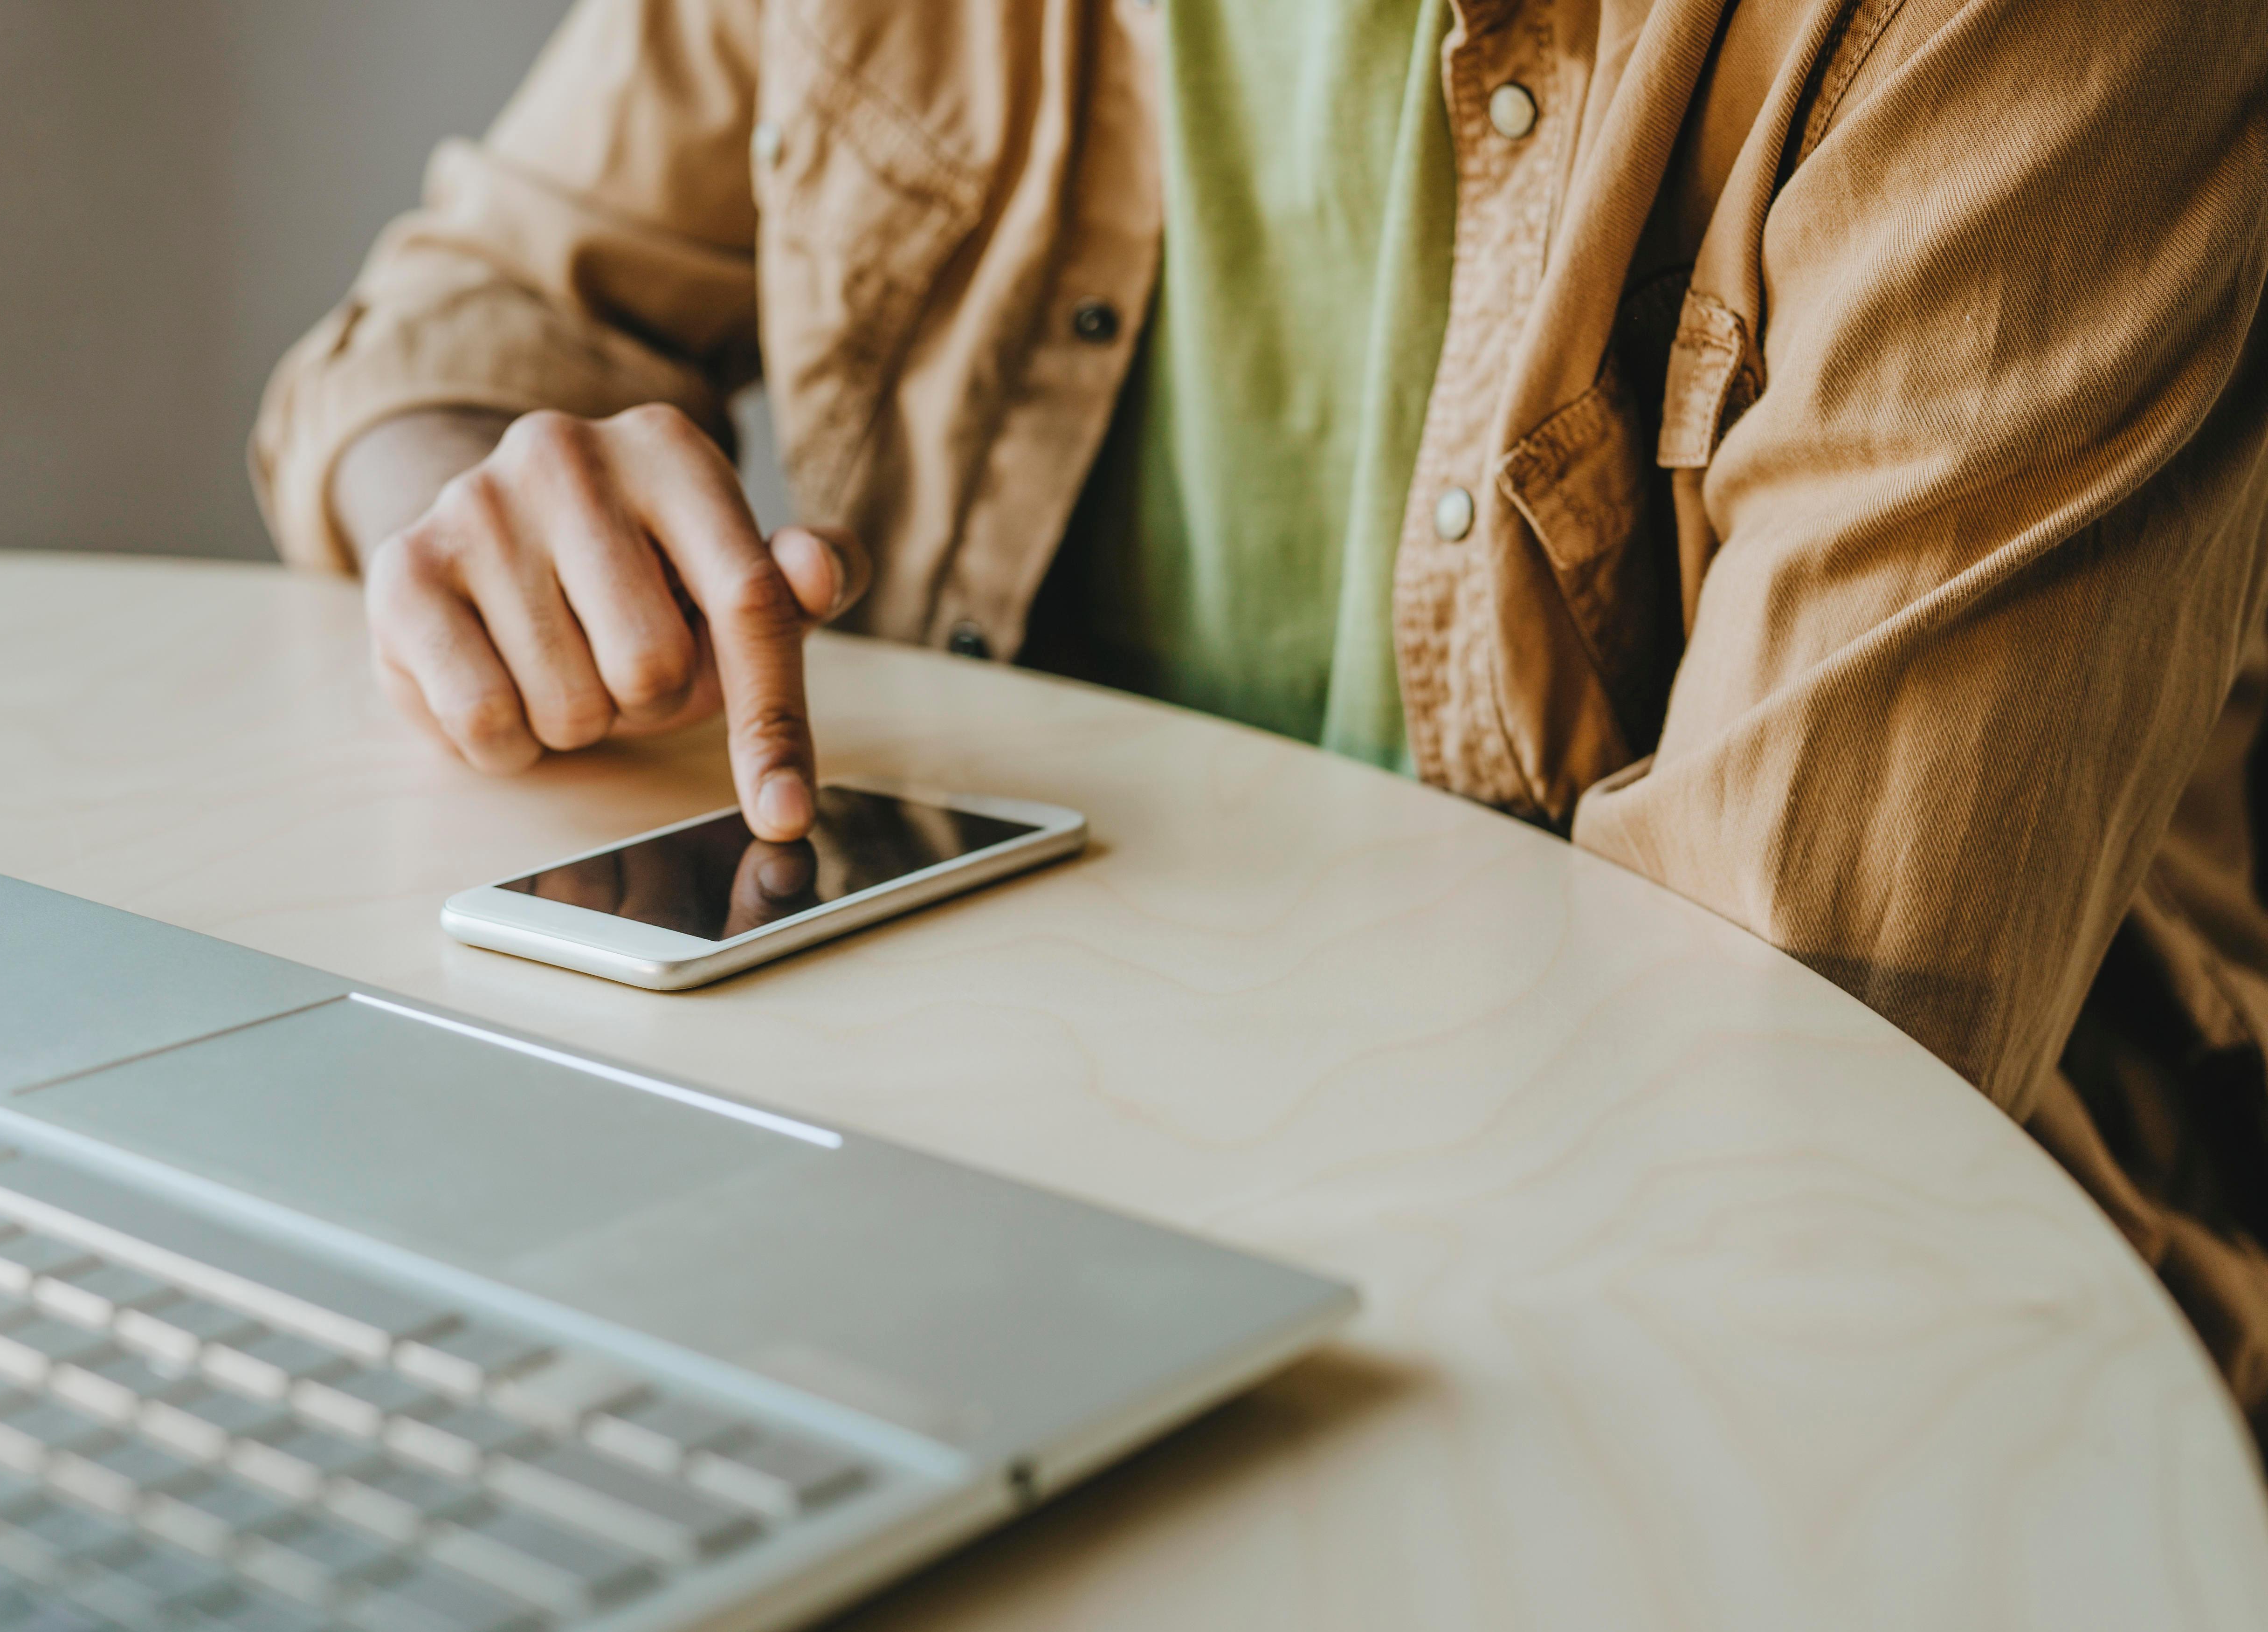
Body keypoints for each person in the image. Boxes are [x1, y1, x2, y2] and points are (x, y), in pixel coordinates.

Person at [254, 0, 2268, 1444]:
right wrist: (484, 506)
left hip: (1846, 1403)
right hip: (993, 1237)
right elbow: (464, 315)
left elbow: (1774, 1084)